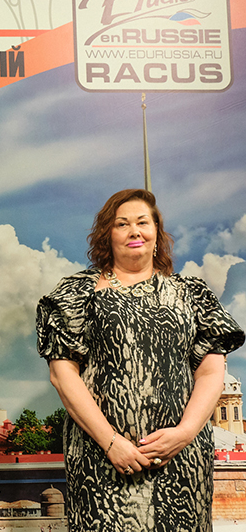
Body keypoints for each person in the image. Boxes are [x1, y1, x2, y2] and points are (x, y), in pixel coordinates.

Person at [36, 188, 244, 531]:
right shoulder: (76, 294)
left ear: (156, 233)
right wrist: (111, 442)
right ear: (107, 234)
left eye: (143, 222)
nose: (135, 231)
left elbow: (211, 372)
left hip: (181, 460)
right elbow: (63, 375)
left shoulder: (192, 295)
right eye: (122, 224)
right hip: (102, 459)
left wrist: (185, 432)